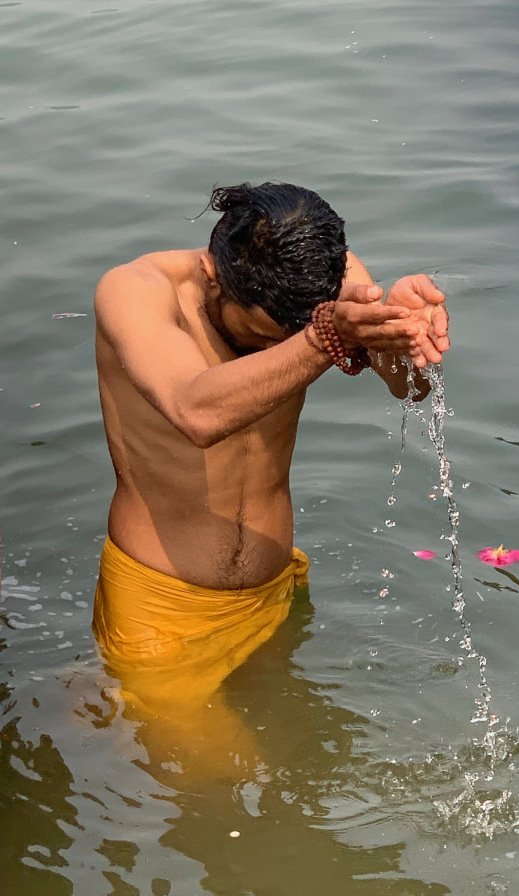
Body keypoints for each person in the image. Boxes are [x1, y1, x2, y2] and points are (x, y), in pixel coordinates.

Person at [92, 181, 450, 720]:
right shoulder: (134, 291)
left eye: (291, 334)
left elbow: (410, 388)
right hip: (160, 612)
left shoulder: (329, 277)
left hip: (273, 592)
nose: (275, 350)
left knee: (299, 785)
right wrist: (320, 337)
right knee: (210, 792)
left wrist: (399, 334)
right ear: (215, 276)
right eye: (261, 334)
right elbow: (197, 412)